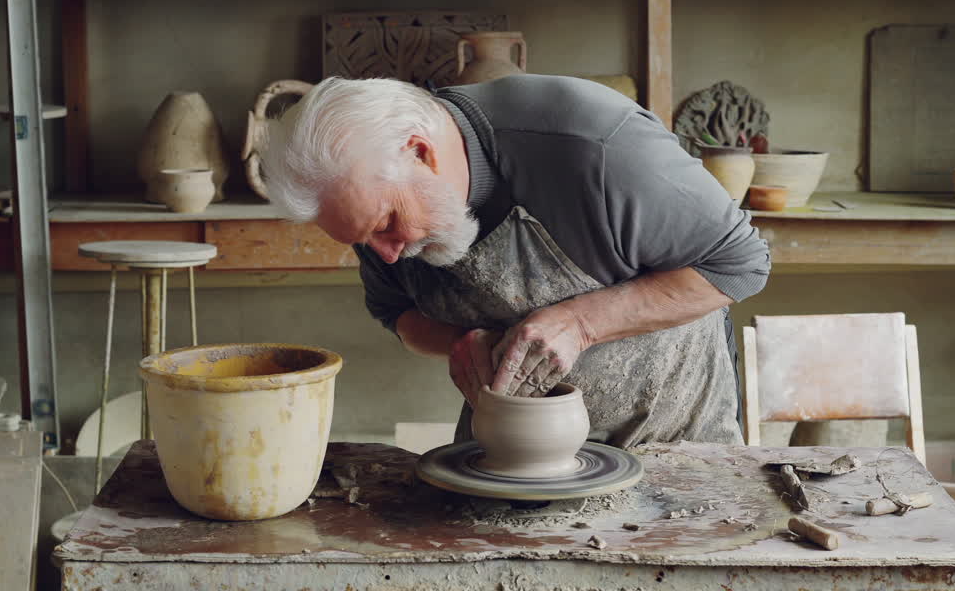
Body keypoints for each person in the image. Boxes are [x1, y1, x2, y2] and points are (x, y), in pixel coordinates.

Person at [263, 74, 771, 448]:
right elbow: (398, 314)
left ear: (421, 153)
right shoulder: (368, 199)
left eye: (385, 226)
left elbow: (739, 263)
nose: (387, 253)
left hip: (671, 447)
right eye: (363, 240)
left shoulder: (593, 145)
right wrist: (460, 344)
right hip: (511, 456)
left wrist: (581, 324)